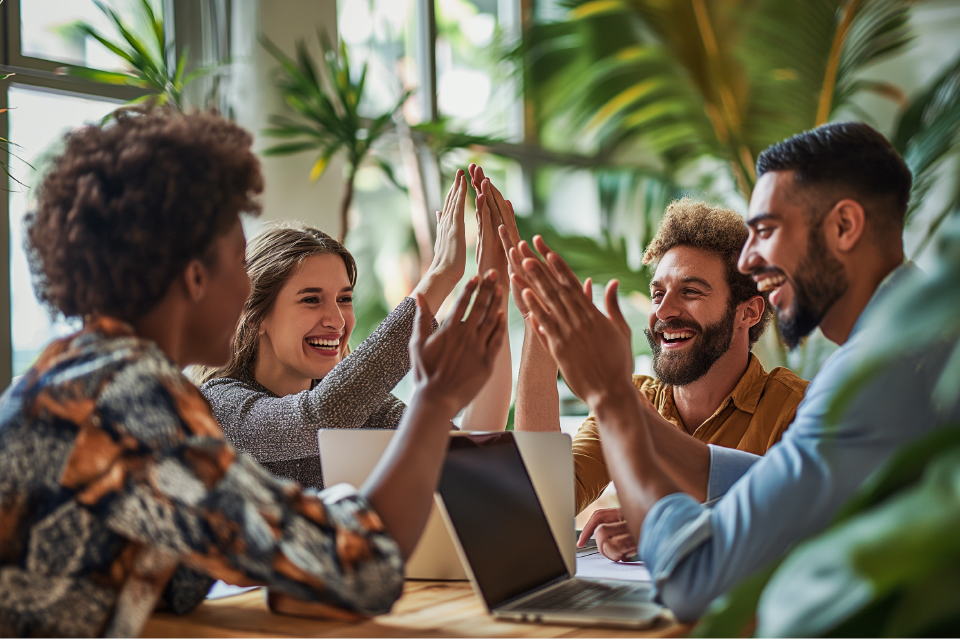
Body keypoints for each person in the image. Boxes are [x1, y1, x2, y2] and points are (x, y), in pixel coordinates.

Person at [0, 109, 506, 637]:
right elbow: (360, 571)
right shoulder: (133, 406)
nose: (247, 292)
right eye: (240, 264)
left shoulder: (75, 377)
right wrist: (434, 398)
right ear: (196, 277)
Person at [507, 121, 960, 621]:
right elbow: (788, 488)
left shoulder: (873, 372)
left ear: (843, 226)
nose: (750, 259)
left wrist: (611, 396)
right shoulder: (917, 335)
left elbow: (692, 578)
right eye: (658, 292)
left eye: (765, 230)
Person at [199, 172, 512, 489]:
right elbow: (319, 420)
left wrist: (495, 284)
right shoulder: (220, 406)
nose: (336, 320)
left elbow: (465, 453)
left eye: (344, 299)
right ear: (254, 315)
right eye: (311, 299)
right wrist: (441, 275)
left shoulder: (362, 409)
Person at [503, 194, 807, 519]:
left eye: (690, 291)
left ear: (747, 313)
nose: (663, 310)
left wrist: (673, 528)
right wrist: (538, 323)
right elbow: (543, 505)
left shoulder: (796, 407)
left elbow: (795, 512)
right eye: (657, 293)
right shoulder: (636, 395)